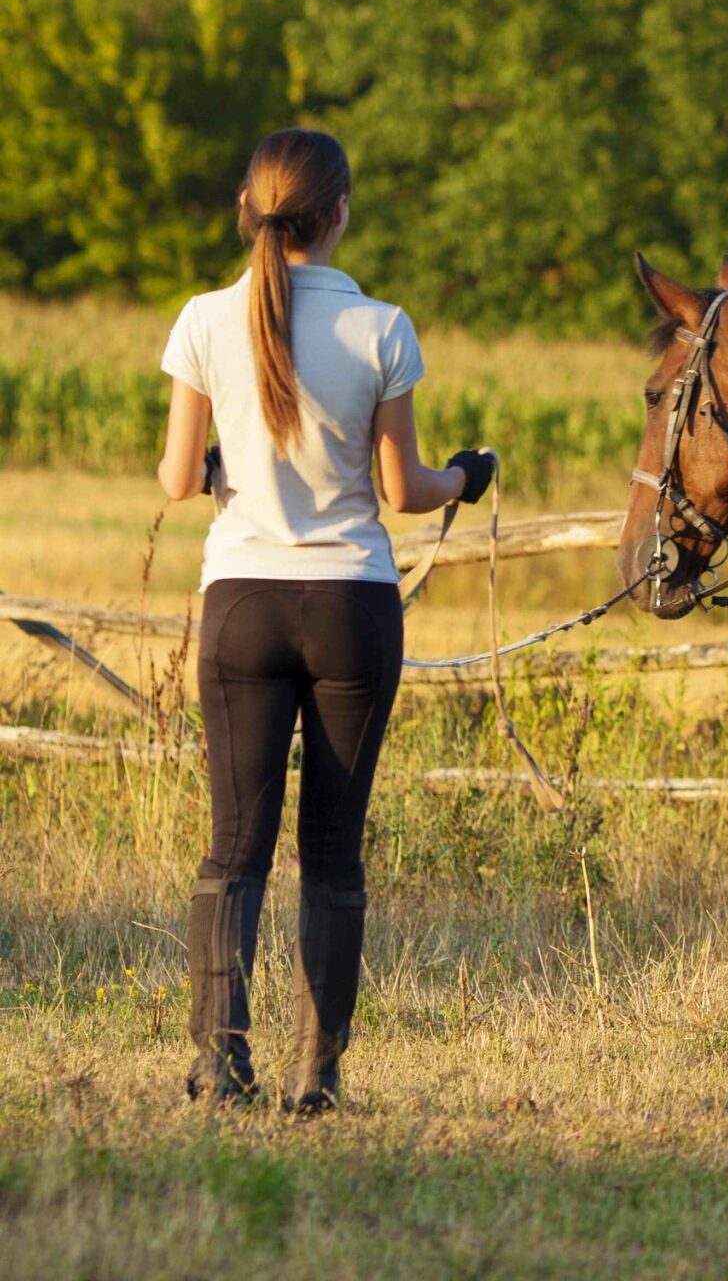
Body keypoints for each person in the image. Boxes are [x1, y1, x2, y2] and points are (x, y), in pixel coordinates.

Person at [156, 128, 493, 1112]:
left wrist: (232, 471)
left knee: (234, 848)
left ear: (252, 209)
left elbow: (180, 477)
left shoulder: (204, 319)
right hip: (352, 602)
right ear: (339, 212)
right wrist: (469, 475)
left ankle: (222, 1061)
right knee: (333, 849)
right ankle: (319, 1073)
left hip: (242, 603)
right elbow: (403, 489)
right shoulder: (382, 327)